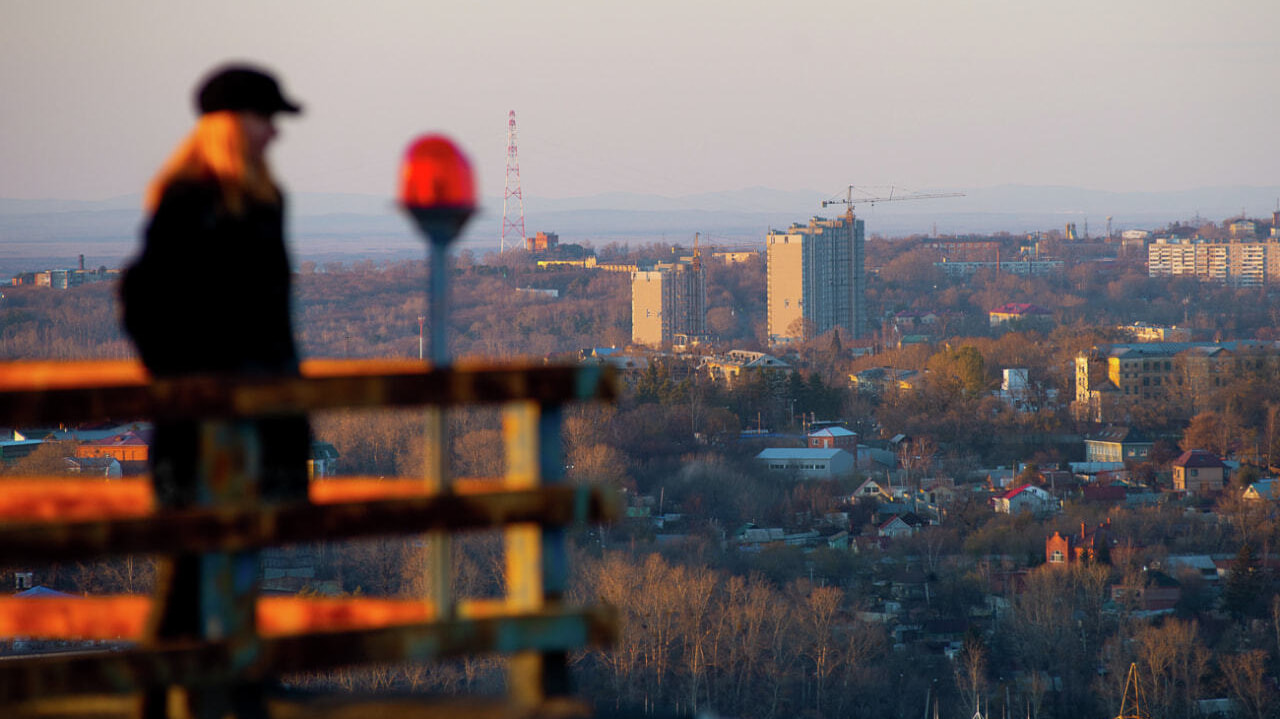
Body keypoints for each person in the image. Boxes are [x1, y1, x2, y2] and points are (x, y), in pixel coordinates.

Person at [121, 64, 310, 509]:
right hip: (199, 424)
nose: (274, 134)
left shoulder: (266, 201)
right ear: (236, 124)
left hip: (266, 416)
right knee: (195, 565)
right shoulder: (187, 200)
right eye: (266, 119)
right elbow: (144, 299)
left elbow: (274, 322)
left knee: (242, 558)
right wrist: (185, 375)